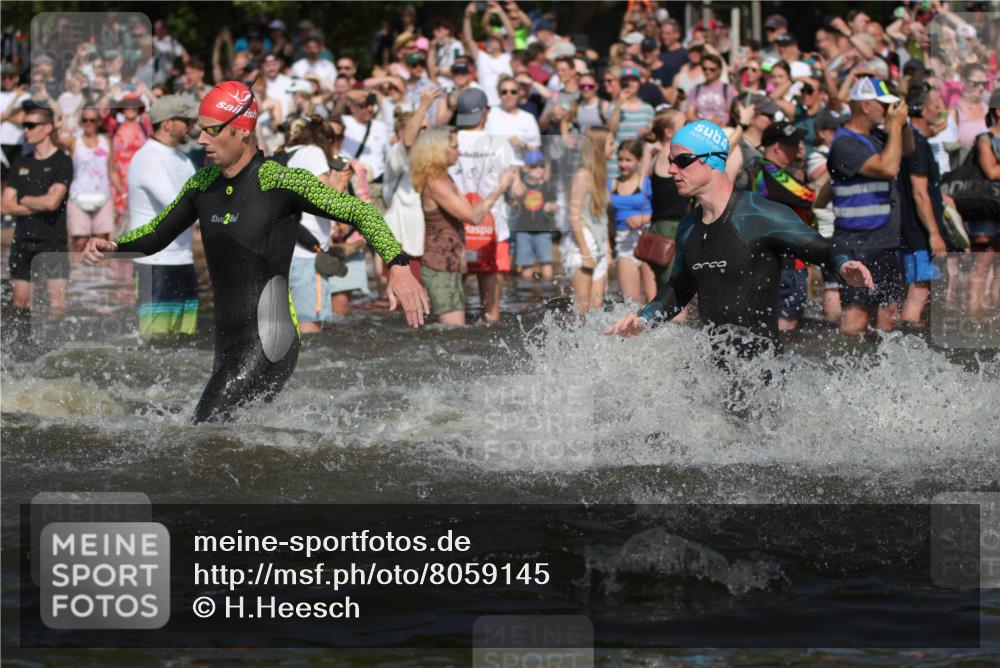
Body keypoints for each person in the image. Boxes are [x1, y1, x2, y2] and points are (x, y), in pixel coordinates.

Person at [84, 80, 427, 423]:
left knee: (202, 434)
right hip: (228, 343)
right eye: (200, 130)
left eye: (212, 130)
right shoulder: (203, 184)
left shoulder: (281, 181)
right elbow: (157, 233)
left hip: (270, 340)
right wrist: (115, 246)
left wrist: (398, 265)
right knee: (227, 440)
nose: (201, 140)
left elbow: (361, 212)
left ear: (242, 130)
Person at [605, 120, 873, 414]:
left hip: (762, 378)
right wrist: (645, 318)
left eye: (682, 161)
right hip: (714, 378)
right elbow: (680, 286)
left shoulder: (759, 215)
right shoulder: (688, 226)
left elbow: (824, 247)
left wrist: (845, 265)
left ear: (713, 162)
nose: (671, 170)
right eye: (670, 161)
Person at [828, 78, 912, 335]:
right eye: (882, 105)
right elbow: (889, 167)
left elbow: (907, 148)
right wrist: (895, 126)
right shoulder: (845, 143)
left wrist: (902, 124)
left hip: (883, 242)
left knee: (887, 321)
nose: (886, 111)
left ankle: (882, 374)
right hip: (857, 243)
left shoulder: (874, 139)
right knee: (856, 322)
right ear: (866, 106)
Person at [411, 126, 512, 326]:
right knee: (455, 332)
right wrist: (500, 188)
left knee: (452, 330)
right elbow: (473, 216)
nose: (459, 151)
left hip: (450, 263)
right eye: (454, 147)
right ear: (439, 150)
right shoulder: (435, 183)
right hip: (439, 265)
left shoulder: (444, 177)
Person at [125, 95, 200, 337]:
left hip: (184, 261)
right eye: (186, 120)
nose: (192, 125)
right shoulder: (147, 158)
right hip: (154, 265)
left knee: (184, 343)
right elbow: (179, 206)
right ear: (167, 123)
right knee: (153, 346)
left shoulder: (184, 159)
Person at [2, 105, 73, 341]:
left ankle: (55, 349)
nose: (26, 130)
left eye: (30, 125)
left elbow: (53, 202)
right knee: (20, 302)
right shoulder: (21, 161)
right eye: (24, 125)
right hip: (23, 241)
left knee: (57, 306)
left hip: (53, 241)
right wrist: (35, 202)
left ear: (47, 128)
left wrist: (23, 199)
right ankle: (24, 347)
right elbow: (5, 205)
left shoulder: (62, 161)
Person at [450, 88, 516, 322]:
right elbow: (512, 186)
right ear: (484, 112)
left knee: (454, 299)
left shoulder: (450, 141)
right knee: (491, 312)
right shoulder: (500, 144)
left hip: (455, 224)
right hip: (493, 226)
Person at [755, 120, 817, 332]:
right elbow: (809, 196)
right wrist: (832, 172)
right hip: (784, 262)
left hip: (782, 261)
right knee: (785, 325)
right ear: (777, 148)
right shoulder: (770, 171)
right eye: (793, 144)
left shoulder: (772, 171)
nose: (799, 148)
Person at [898, 85, 947, 327]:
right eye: (936, 106)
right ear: (921, 109)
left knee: (916, 292)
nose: (941, 111)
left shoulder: (914, 139)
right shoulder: (916, 142)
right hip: (919, 233)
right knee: (919, 292)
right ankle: (909, 348)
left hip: (912, 231)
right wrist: (934, 234)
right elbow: (919, 193)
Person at [563, 125, 614, 314]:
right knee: (581, 309)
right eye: (610, 143)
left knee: (596, 308)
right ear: (598, 146)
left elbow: (601, 215)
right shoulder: (582, 175)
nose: (614, 147)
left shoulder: (600, 175)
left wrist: (607, 249)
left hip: (599, 244)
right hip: (582, 245)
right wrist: (585, 253)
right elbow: (573, 216)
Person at [646, 109, 690, 287]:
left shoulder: (662, 153)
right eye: (684, 124)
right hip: (668, 227)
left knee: (678, 285)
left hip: (672, 224)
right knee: (673, 286)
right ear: (669, 132)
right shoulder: (668, 154)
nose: (689, 128)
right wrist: (741, 128)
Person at [61, 108, 115, 253]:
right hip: (78, 196)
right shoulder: (74, 141)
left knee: (102, 245)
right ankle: (79, 275)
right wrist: (57, 124)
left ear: (98, 122)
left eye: (92, 120)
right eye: (85, 120)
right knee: (80, 244)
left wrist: (124, 194)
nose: (88, 123)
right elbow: (55, 139)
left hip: (103, 196)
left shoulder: (107, 142)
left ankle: (102, 275)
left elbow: (112, 170)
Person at [967, 89, 1000, 321]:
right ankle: (974, 310)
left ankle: (995, 309)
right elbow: (991, 171)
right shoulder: (985, 139)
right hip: (987, 206)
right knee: (982, 261)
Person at [609, 139, 655, 304]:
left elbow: (663, 211)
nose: (623, 164)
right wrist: (608, 248)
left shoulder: (646, 183)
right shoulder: (611, 184)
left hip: (647, 241)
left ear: (638, 161)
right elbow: (607, 218)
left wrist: (643, 218)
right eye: (620, 159)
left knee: (653, 299)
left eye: (628, 160)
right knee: (630, 303)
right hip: (624, 244)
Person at [508, 149, 557, 279]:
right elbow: (513, 202)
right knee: (526, 265)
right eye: (535, 166)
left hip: (543, 230)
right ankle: (526, 294)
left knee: (547, 263)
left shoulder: (547, 186)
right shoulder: (521, 186)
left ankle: (548, 292)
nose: (539, 169)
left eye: (542, 166)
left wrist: (552, 207)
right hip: (524, 231)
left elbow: (555, 203)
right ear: (526, 168)